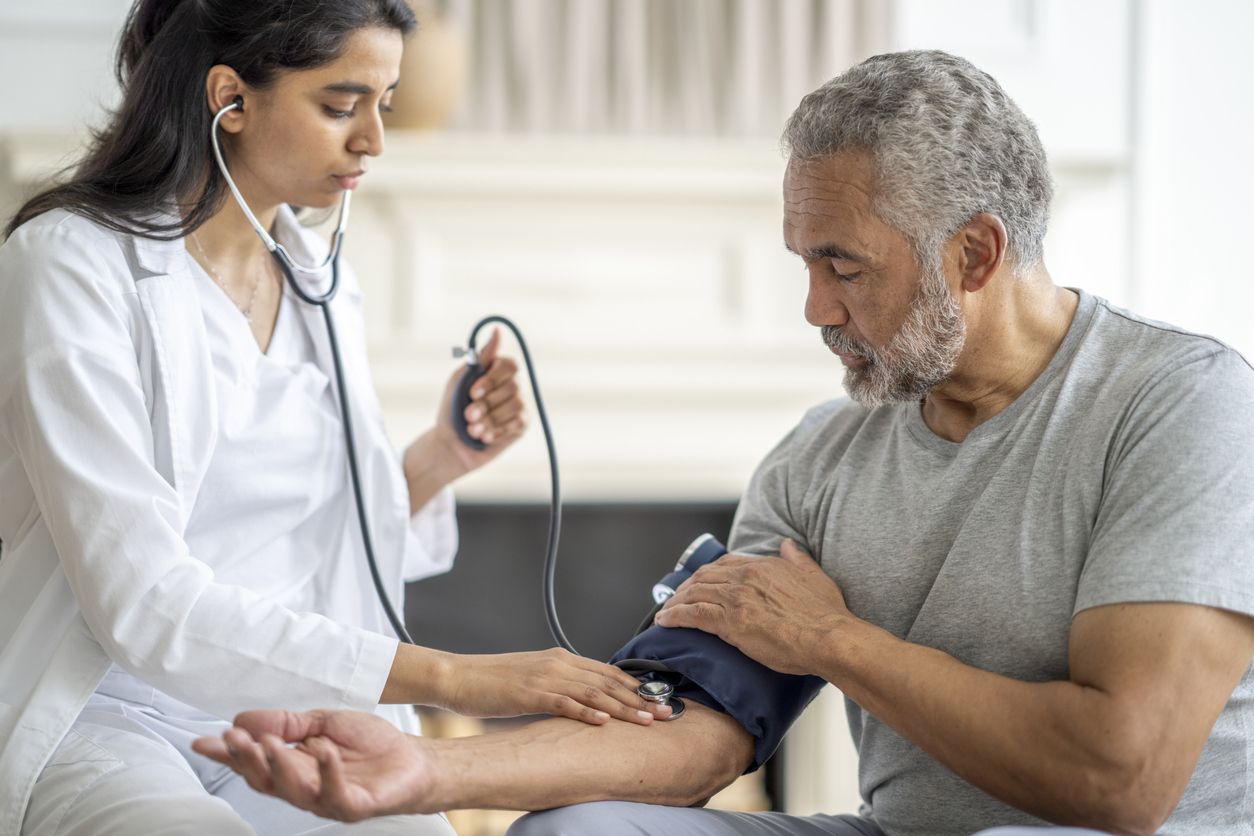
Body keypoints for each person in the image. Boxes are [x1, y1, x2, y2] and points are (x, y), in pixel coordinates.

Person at [193, 50, 1254, 836]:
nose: (812, 307)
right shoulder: (818, 457)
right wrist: (429, 773)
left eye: (843, 265)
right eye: (801, 261)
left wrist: (836, 642)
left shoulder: (1176, 405)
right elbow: (698, 733)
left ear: (974, 251)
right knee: (578, 832)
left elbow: (1124, 778)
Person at [0, 2, 673, 835]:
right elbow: (142, 601)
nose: (373, 142)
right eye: (339, 105)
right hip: (111, 715)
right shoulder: (70, 264)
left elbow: (308, 537)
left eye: (383, 105)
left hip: (290, 719)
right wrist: (462, 680)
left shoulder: (319, 278)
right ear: (229, 98)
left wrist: (438, 459)